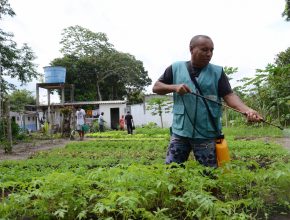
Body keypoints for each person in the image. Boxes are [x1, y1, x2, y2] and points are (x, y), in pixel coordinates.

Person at [152, 35, 262, 167]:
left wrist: (247, 110)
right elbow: (156, 87)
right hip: (180, 133)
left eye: (211, 50)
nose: (209, 54)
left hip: (206, 134)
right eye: (204, 49)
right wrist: (174, 87)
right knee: (172, 170)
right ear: (191, 49)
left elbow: (229, 96)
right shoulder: (175, 68)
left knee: (210, 176)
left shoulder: (217, 72)